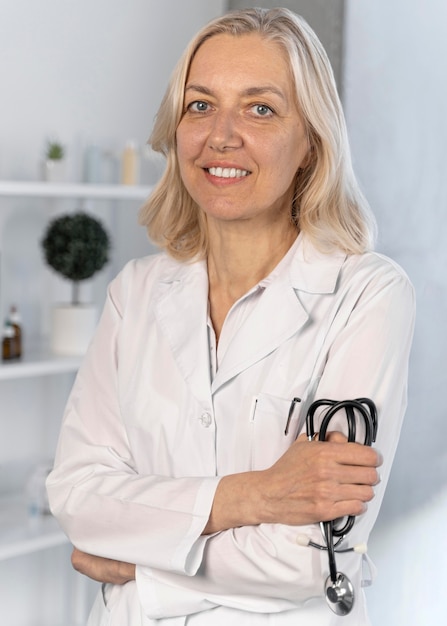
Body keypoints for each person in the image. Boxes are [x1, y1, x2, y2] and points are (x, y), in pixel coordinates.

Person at [46, 7, 415, 625]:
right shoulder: (134, 293)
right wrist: (257, 495)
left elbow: (312, 563)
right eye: (200, 105)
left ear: (310, 144)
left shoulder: (368, 293)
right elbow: (79, 499)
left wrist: (140, 561)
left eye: (260, 108)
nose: (221, 135)